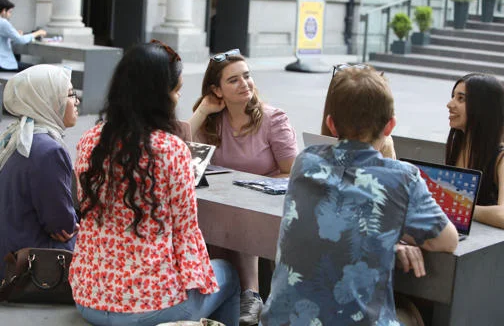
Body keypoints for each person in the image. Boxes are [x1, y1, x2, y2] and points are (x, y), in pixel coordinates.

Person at [260, 64, 459, 325]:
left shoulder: (305, 162)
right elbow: (448, 241)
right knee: (412, 316)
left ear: (331, 124)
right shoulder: (402, 178)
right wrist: (394, 234)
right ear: (390, 126)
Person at [69, 41, 240, 326]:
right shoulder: (171, 150)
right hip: (149, 308)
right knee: (229, 275)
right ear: (159, 97)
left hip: (88, 297)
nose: (177, 98)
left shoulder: (90, 140)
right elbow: (187, 233)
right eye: (176, 90)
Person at [189, 49, 298, 325]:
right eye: (234, 80)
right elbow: (180, 156)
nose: (245, 84)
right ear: (216, 90)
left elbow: (292, 173)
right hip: (222, 203)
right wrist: (202, 110)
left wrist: (252, 187)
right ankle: (214, 290)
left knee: (238, 209)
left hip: (265, 205)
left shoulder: (274, 120)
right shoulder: (211, 120)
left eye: (247, 76)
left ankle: (251, 293)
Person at [0, 64, 80, 280]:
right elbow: (62, 225)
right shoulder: (48, 150)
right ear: (49, 101)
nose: (77, 101)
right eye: (71, 95)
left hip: (10, 245)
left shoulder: (19, 135)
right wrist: (74, 223)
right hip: (27, 262)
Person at [446, 73, 504, 228]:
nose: (450, 104)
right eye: (453, 97)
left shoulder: (501, 157)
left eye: (461, 99)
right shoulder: (457, 146)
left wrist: (459, 208)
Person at [0, 0, 46, 72]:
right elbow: (21, 40)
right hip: (4, 64)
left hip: (3, 63)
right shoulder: (3, 22)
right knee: (37, 70)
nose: (10, 15)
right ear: (3, 11)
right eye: (10, 12)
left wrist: (15, 35)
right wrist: (37, 33)